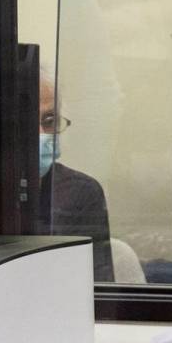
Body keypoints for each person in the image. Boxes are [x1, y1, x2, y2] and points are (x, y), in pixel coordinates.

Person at [37, 70, 114, 282]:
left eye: (49, 120)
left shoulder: (80, 193)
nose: (42, 134)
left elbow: (96, 294)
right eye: (25, 121)